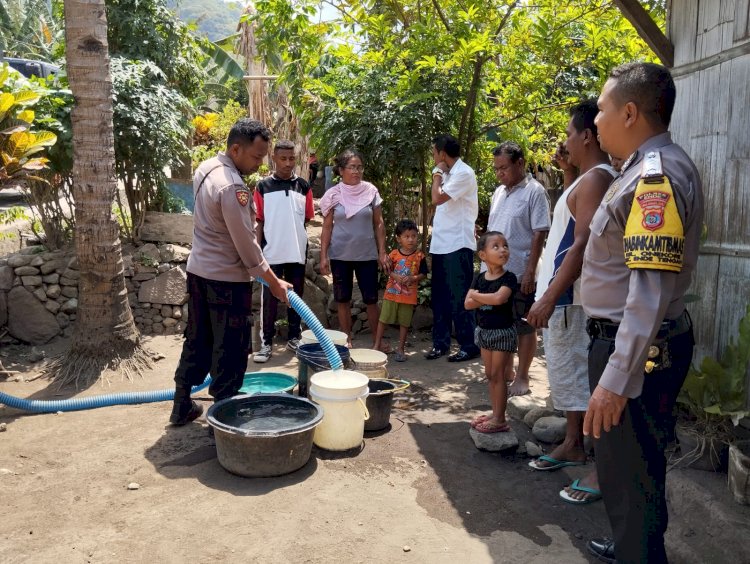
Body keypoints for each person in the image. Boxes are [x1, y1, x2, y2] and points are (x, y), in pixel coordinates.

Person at [581, 63, 704, 563]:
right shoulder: (638, 167)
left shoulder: (657, 176)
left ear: (630, 112)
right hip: (629, 345)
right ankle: (635, 544)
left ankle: (640, 551)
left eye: (604, 109)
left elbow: (649, 292)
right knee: (630, 469)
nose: (596, 121)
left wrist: (615, 378)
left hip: (634, 349)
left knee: (632, 472)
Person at [170, 118, 292, 425]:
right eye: (256, 156)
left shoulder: (206, 168)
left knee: (198, 338)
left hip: (199, 273)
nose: (260, 163)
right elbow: (246, 247)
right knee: (230, 347)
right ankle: (222, 423)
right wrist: (274, 282)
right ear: (236, 148)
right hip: (226, 281)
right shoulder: (232, 186)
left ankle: (182, 404)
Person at [526, 101, 617, 508]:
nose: (564, 142)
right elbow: (570, 225)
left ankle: (593, 457)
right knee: (570, 377)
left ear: (586, 136)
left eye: (568, 134)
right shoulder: (587, 178)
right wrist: (567, 172)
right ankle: (573, 443)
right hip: (563, 297)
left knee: (582, 379)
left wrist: (548, 296)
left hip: (570, 300)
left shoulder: (598, 179)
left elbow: (580, 245)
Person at [487, 142, 550, 395]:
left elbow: (539, 234)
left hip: (521, 272)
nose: (499, 173)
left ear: (520, 163)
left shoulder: (535, 192)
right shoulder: (499, 192)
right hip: (495, 273)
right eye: (496, 169)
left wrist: (529, 272)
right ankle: (508, 371)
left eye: (504, 168)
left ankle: (523, 377)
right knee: (501, 323)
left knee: (525, 326)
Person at [319, 149, 389, 348]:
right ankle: (346, 339)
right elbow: (326, 227)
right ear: (341, 170)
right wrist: (324, 256)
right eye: (352, 167)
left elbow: (379, 223)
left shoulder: (371, 191)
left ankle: (378, 340)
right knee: (342, 298)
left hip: (366, 254)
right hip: (340, 254)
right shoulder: (333, 195)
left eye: (359, 167)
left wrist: (382, 252)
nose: (356, 171)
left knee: (371, 298)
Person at [252, 140, 314, 363]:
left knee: (295, 298)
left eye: (291, 159)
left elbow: (307, 217)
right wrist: (257, 252)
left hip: (297, 252)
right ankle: (266, 343)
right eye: (283, 159)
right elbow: (258, 220)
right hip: (271, 254)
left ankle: (294, 337)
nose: (288, 163)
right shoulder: (263, 187)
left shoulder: (304, 186)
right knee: (268, 300)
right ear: (274, 159)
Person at [425, 134, 480, 362]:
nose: (433, 157)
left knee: (460, 298)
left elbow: (437, 199)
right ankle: (441, 344)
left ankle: (469, 345)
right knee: (440, 297)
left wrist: (436, 174)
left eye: (434, 153)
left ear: (442, 153)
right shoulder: (450, 173)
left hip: (458, 245)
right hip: (441, 245)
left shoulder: (464, 173)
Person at [465, 231, 518, 433]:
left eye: (505, 245)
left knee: (498, 375)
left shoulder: (509, 278)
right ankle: (495, 413)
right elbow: (467, 304)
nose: (503, 249)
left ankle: (500, 419)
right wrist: (487, 296)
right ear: (483, 255)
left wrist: (479, 296)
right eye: (495, 246)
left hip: (503, 332)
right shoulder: (479, 278)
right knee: (490, 374)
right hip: (484, 331)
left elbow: (499, 299)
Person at [373, 219, 429, 362]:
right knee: (383, 319)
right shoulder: (393, 255)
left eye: (414, 236)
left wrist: (413, 278)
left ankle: (401, 349)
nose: (411, 239)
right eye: (407, 236)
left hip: (408, 297)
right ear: (399, 239)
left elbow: (424, 274)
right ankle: (376, 345)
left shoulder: (419, 256)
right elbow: (386, 270)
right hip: (391, 294)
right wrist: (395, 276)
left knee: (404, 323)